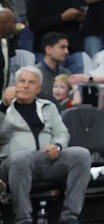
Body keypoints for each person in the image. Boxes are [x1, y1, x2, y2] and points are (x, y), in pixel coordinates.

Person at [0, 67, 92, 224]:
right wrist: (3, 107)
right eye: (22, 81)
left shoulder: (48, 106)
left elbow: (63, 133)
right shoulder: (5, 108)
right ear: (14, 84)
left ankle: (70, 216)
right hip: (14, 163)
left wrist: (57, 145)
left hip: (47, 159)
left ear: (39, 88)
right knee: (21, 158)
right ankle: (23, 219)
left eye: (31, 82)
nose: (25, 85)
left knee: (82, 154)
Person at [27, 0, 87, 75]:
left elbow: (82, 8)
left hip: (73, 48)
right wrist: (62, 18)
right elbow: (35, 25)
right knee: (47, 87)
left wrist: (81, 17)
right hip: (47, 49)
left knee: (74, 88)